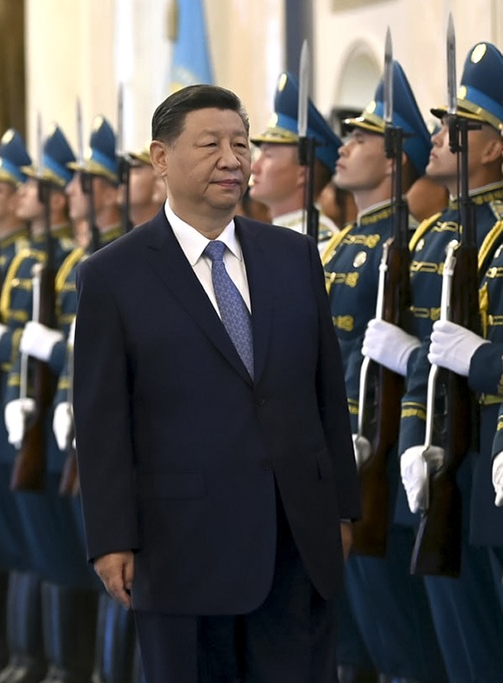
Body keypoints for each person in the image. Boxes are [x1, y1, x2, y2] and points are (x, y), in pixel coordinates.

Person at [73, 84, 360, 683]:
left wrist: (342, 509)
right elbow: (101, 422)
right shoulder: (112, 275)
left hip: (294, 537)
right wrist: (109, 538)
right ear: (160, 158)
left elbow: (326, 395)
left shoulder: (294, 256)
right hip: (180, 546)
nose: (232, 160)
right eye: (210, 145)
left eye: (240, 144)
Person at [364, 41, 503, 683]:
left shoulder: (493, 234)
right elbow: (427, 365)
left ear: (496, 146)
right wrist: (418, 440)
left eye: (461, 126)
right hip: (441, 466)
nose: (441, 135)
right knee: (452, 648)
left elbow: (466, 358)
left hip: (484, 467)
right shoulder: (427, 239)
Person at [324, 60, 446, 683]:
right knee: (353, 632)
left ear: (398, 158)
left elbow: (379, 360)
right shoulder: (340, 245)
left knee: (400, 637)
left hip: (378, 456)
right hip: (330, 456)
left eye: (362, 138)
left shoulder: (406, 243)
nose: (343, 147)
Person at [249, 72, 342, 252]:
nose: (255, 166)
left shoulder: (322, 246)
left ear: (303, 172)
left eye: (268, 155)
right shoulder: (273, 235)